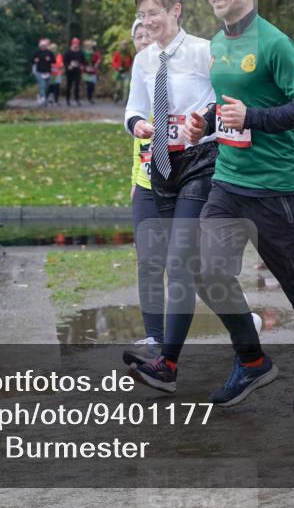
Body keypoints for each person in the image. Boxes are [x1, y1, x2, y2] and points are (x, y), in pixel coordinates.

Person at [185, 0, 294, 409]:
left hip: (276, 187)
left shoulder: (273, 42)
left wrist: (253, 116)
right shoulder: (217, 43)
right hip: (229, 180)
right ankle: (252, 361)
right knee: (206, 271)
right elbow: (229, 105)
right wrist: (208, 122)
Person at [124, 0, 218, 392]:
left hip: (199, 164)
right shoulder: (144, 62)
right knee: (163, 261)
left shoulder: (203, 51)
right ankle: (165, 346)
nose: (148, 22)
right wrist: (138, 125)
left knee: (180, 259)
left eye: (154, 14)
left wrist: (205, 120)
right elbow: (133, 108)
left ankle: (168, 365)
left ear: (176, 11)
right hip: (156, 167)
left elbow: (222, 97)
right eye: (143, 15)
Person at [122, 18, 166, 365]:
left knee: (194, 263)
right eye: (138, 35)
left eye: (148, 33)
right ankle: (156, 337)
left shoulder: (176, 77)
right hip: (147, 184)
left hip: (184, 183)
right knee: (149, 262)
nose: (143, 39)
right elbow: (140, 147)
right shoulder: (140, 84)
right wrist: (136, 182)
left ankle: (242, 321)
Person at [30, 38, 55, 107]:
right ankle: (43, 99)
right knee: (42, 85)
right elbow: (32, 60)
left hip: (47, 72)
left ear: (46, 46)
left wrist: (49, 60)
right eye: (42, 45)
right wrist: (35, 60)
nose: (43, 46)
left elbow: (54, 61)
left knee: (46, 87)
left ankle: (42, 98)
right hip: (39, 71)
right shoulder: (37, 52)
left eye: (44, 45)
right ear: (40, 46)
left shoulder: (50, 53)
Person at [64, 38, 86, 106]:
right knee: (69, 85)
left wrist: (82, 66)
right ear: (72, 44)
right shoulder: (68, 52)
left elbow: (83, 61)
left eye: (77, 44)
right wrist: (68, 66)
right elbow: (65, 61)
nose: (76, 45)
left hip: (77, 71)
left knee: (77, 85)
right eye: (74, 44)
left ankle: (77, 99)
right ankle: (67, 99)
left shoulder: (80, 52)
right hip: (70, 71)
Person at [83, 39, 101, 104]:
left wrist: (97, 64)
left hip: (93, 70)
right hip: (86, 70)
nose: (89, 46)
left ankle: (90, 96)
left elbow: (98, 59)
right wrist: (85, 67)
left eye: (90, 45)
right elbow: (82, 61)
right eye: (88, 45)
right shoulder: (84, 52)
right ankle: (89, 98)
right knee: (89, 85)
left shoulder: (95, 52)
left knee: (92, 85)